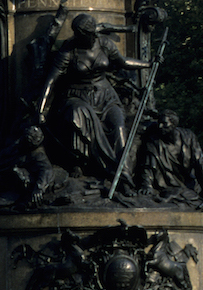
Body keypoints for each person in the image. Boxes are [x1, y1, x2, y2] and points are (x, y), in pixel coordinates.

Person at [37, 13, 148, 182]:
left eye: (83, 36)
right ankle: (80, 161)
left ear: (92, 34)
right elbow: (51, 80)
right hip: (77, 95)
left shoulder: (104, 44)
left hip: (105, 96)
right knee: (78, 114)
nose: (79, 39)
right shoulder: (69, 49)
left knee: (117, 125)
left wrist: (148, 63)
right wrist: (40, 109)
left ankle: (122, 173)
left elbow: (123, 62)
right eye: (77, 35)